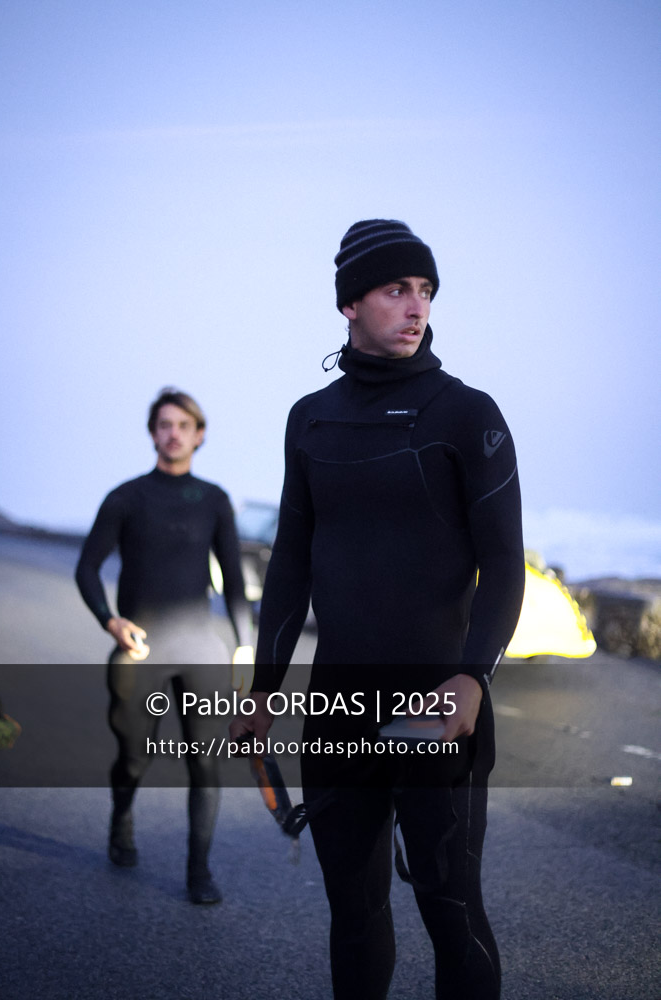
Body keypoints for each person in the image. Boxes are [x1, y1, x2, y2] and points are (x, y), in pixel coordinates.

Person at [231, 220, 525, 997]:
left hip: (437, 705)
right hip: (338, 708)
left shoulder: (467, 414)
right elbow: (291, 562)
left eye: (425, 291)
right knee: (353, 912)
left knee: (449, 910)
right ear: (350, 304)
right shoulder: (311, 418)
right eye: (397, 289)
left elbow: (502, 564)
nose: (415, 306)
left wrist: (472, 679)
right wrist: (265, 689)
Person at [76, 387, 253, 904]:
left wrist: (245, 649)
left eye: (183, 425)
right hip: (142, 648)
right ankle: (121, 816)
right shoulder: (127, 497)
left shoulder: (214, 499)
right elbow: (87, 567)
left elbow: (236, 584)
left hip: (200, 649)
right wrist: (110, 621)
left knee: (206, 762)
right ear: (152, 432)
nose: (173, 433)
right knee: (133, 758)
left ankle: (199, 870)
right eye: (164, 424)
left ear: (199, 435)